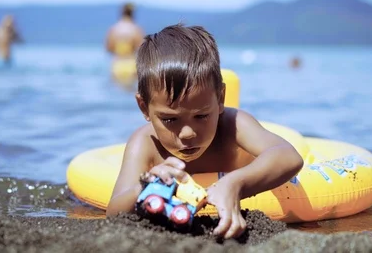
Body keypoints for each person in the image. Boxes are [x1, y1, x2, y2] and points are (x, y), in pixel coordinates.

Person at [106, 24, 304, 239]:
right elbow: (114, 211)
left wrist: (235, 183)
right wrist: (146, 188)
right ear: (144, 107)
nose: (188, 133)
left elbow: (289, 156)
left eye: (201, 116)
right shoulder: (145, 143)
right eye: (170, 119)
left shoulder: (232, 124)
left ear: (220, 99)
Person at [105, 2, 144, 88]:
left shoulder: (114, 29)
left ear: (121, 12)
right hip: (131, 64)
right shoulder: (136, 29)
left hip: (117, 64)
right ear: (133, 13)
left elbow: (108, 48)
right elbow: (141, 49)